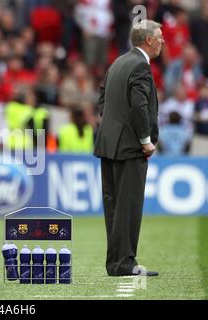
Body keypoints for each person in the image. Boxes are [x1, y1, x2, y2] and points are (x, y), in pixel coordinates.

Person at [93, 20, 164, 277]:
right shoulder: (140, 66)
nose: (163, 41)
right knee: (129, 206)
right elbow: (139, 106)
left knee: (114, 207)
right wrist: (145, 140)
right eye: (160, 36)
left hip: (108, 144)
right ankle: (125, 263)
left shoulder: (119, 62)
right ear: (148, 40)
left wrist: (113, 125)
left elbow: (102, 98)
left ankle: (116, 264)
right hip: (131, 147)